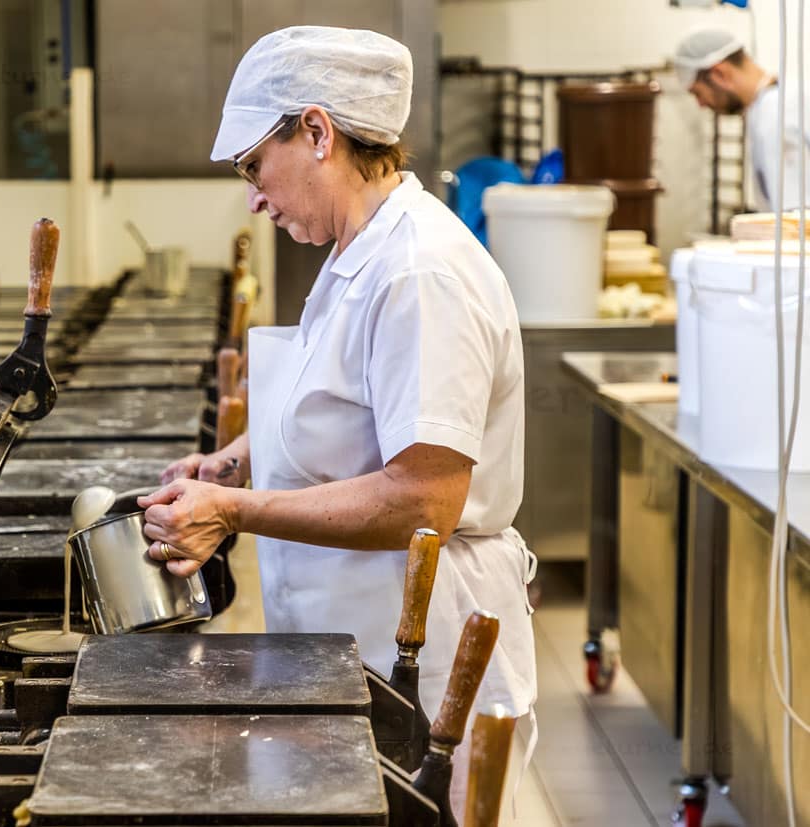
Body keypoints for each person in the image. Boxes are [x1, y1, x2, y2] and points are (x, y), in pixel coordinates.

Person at [136, 25, 537, 818]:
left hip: (422, 676)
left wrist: (235, 513)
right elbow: (354, 408)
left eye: (255, 166)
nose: (253, 195)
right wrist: (240, 460)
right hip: (355, 657)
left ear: (317, 132)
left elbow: (426, 497)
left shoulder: (420, 271)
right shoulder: (361, 252)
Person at [675, 26, 810, 211]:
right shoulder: (780, 102)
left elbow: (797, 218)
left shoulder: (776, 115)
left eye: (698, 93)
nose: (701, 104)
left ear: (719, 74)